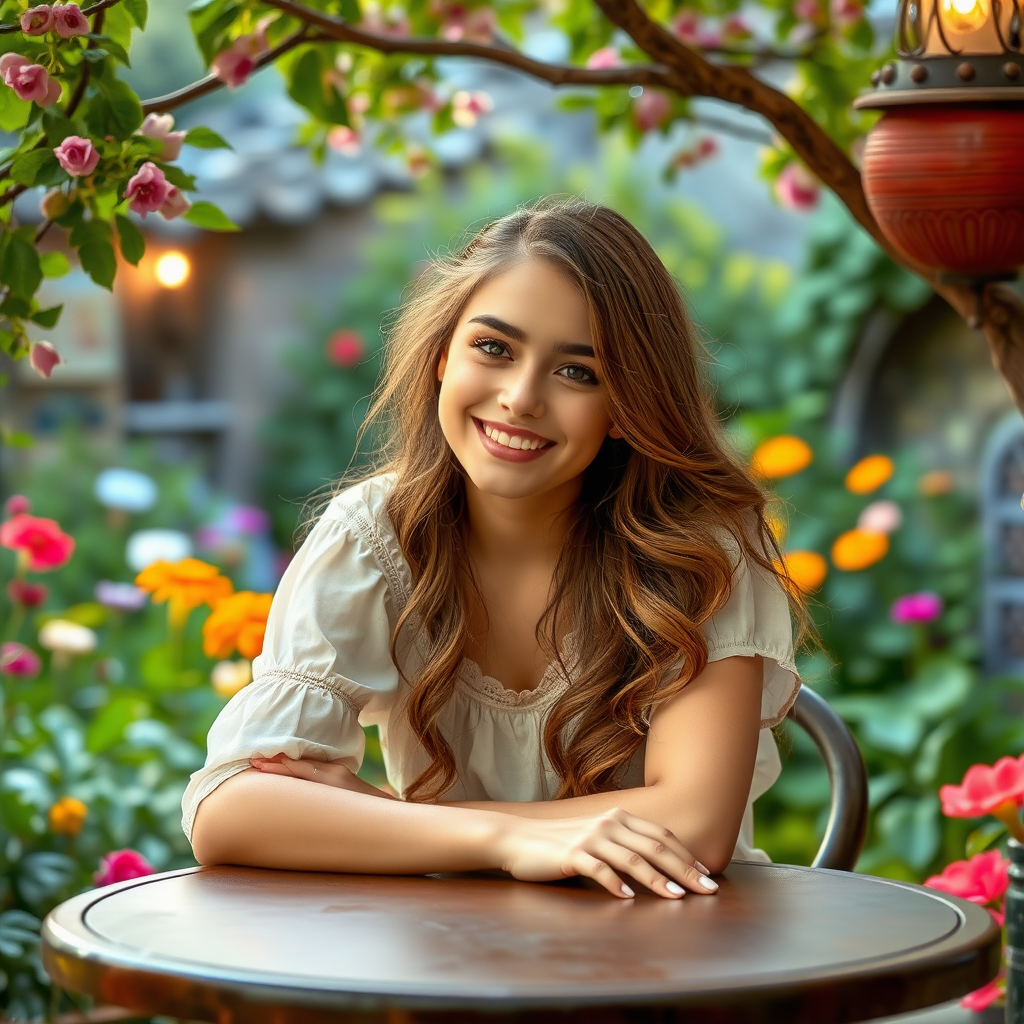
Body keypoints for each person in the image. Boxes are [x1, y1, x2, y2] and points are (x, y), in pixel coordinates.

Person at [184, 196, 807, 900]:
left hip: (671, 960)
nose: (520, 397)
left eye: (578, 372)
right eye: (494, 348)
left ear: (627, 409)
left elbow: (693, 826)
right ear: (441, 357)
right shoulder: (371, 537)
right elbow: (229, 810)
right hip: (457, 962)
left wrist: (386, 822)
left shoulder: (701, 547)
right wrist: (506, 840)